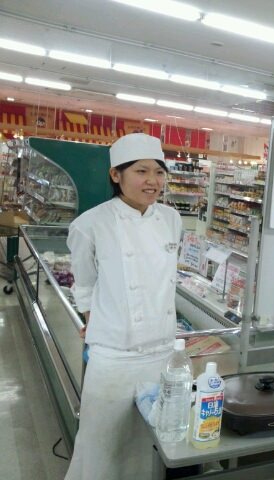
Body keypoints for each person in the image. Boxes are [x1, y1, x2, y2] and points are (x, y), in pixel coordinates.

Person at [65, 133, 182, 480]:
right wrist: (94, 322)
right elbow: (84, 285)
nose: (153, 181)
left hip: (162, 352)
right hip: (114, 355)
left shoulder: (171, 219)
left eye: (159, 172)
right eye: (141, 172)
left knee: (149, 444)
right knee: (101, 443)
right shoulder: (90, 224)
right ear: (116, 175)